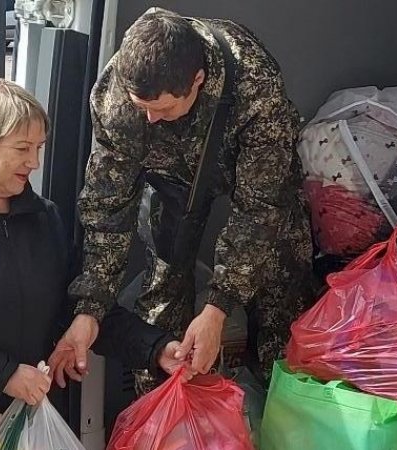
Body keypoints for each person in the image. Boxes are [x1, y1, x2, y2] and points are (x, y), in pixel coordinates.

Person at [52, 7, 318, 392]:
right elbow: (106, 206)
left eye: (163, 109)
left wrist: (217, 310)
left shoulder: (254, 82)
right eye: (142, 108)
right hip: (173, 184)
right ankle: (161, 413)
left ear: (197, 81)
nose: (151, 121)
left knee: (283, 288)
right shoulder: (118, 97)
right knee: (161, 296)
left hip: (253, 179)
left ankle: (279, 405)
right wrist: (90, 307)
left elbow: (261, 205)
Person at [0, 79, 191, 414]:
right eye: (22, 149)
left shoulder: (45, 218)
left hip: (36, 417)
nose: (34, 162)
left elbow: (84, 306)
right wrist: (3, 374)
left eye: (39, 148)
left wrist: (156, 348)